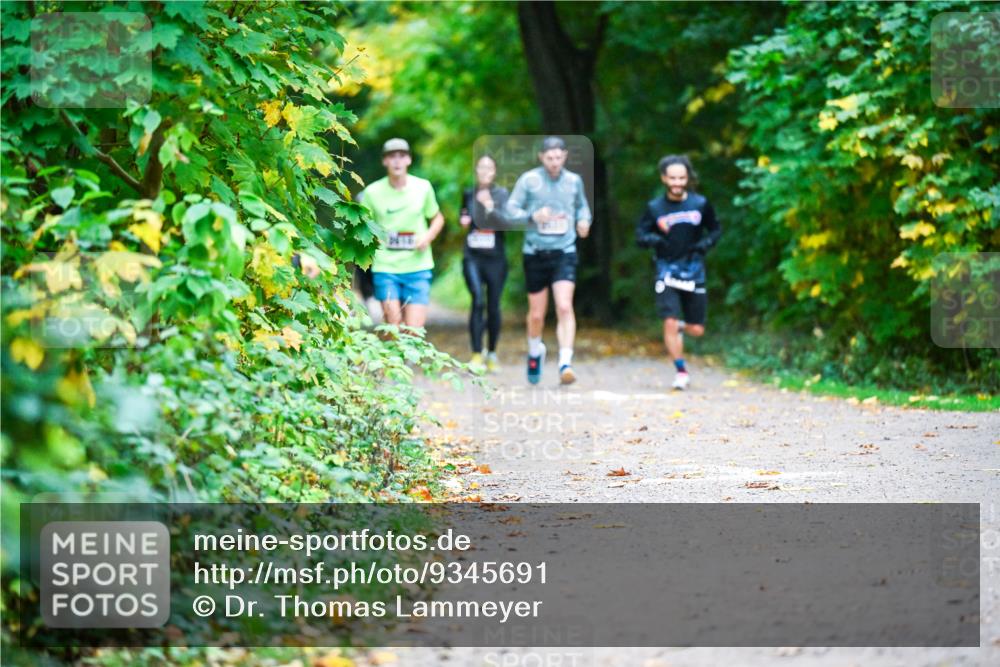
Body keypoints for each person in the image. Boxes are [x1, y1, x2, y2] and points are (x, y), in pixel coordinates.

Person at [484, 136, 592, 385]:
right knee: (536, 315)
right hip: (535, 252)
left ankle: (566, 362)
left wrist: (584, 221)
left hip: (565, 251)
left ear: (565, 156)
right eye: (549, 158)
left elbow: (583, 207)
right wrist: (534, 216)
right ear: (542, 158)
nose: (554, 162)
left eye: (558, 157)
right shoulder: (529, 181)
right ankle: (535, 352)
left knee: (564, 306)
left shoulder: (574, 181)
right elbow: (510, 211)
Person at [636, 155, 722, 390]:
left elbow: (716, 230)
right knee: (669, 321)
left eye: (681, 177)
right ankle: (681, 371)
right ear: (664, 178)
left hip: (693, 269)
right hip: (666, 270)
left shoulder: (700, 204)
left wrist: (704, 245)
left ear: (687, 178)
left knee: (697, 329)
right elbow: (640, 237)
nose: (677, 182)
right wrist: (656, 239)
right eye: (672, 177)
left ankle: (682, 327)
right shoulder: (655, 208)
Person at [359, 138, 444, 328]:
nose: (397, 161)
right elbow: (363, 226)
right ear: (384, 161)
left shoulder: (423, 187)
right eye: (392, 156)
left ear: (409, 160)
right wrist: (373, 241)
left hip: (418, 266)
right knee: (394, 326)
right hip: (386, 267)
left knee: (414, 331)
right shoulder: (372, 192)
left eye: (402, 156)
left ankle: (408, 358)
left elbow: (438, 218)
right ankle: (391, 356)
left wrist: (427, 237)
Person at [460, 155, 509, 372]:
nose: (485, 172)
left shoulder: (502, 195)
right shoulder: (468, 193)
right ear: (476, 170)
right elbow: (463, 215)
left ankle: (492, 353)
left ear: (495, 171)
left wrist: (490, 206)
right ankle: (476, 354)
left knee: (493, 305)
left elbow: (507, 223)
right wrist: (463, 220)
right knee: (478, 300)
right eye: (481, 167)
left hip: (495, 258)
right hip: (473, 256)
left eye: (489, 168)